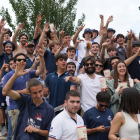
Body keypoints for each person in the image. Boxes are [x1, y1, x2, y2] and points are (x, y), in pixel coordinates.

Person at [2, 61, 55, 140]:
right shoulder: (24, 101)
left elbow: (49, 133)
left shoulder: (49, 109)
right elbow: (6, 91)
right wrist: (15, 75)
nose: (38, 95)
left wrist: (36, 130)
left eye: (40, 91)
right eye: (34, 93)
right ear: (29, 93)